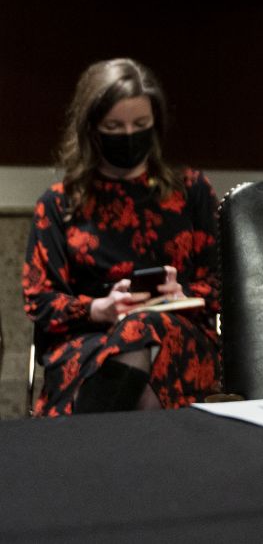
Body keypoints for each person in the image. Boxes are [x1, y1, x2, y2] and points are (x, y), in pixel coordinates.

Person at [23, 58, 221, 415]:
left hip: (179, 334)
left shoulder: (191, 191)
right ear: (92, 129)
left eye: (140, 124)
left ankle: (83, 457)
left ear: (155, 126)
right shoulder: (58, 204)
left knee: (143, 328)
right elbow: (40, 300)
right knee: (135, 367)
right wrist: (99, 309)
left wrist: (181, 296)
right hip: (87, 340)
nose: (129, 135)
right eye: (114, 126)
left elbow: (222, 286)